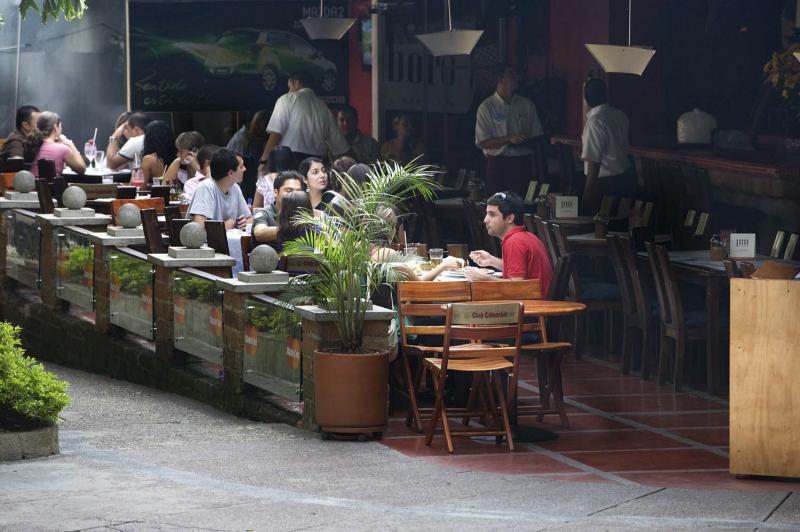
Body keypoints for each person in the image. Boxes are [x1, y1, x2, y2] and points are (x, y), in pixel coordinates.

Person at [475, 63, 544, 197]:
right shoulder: (487, 107)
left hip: (522, 163)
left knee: (523, 205)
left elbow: (537, 134)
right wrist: (508, 139)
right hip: (498, 163)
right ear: (500, 80)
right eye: (511, 75)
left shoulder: (526, 104)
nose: (516, 78)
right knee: (497, 208)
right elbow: (483, 142)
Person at [258, 72, 349, 172]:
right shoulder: (323, 107)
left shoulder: (286, 99)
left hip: (288, 162)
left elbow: (276, 133)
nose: (289, 90)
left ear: (296, 83)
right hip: (315, 165)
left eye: (289, 86)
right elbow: (340, 147)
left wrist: (264, 160)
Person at [465, 191, 552, 294]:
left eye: (492, 215)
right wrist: (491, 260)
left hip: (533, 305)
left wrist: (483, 278)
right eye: (487, 214)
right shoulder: (525, 237)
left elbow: (516, 288)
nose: (485, 220)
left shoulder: (514, 242)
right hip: (536, 301)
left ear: (510, 218)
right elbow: (520, 270)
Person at [581, 78, 632, 211]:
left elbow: (594, 161)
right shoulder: (620, 115)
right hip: (624, 179)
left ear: (586, 99)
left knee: (600, 226)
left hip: (604, 184)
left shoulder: (595, 122)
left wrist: (587, 193)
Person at [187, 148, 253, 230]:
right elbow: (198, 227)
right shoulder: (206, 188)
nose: (245, 169)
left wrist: (243, 223)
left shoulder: (235, 187)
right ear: (231, 173)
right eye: (241, 166)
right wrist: (224, 226)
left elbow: (250, 219)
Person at [24, 111, 86, 177]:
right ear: (56, 127)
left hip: (30, 186)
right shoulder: (62, 148)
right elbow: (82, 169)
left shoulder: (32, 144)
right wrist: (70, 144)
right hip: (49, 187)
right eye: (60, 126)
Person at [252, 170, 304, 245]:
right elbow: (259, 232)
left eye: (298, 191)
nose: (294, 195)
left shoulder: (303, 213)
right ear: (276, 192)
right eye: (289, 191)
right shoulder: (264, 213)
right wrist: (290, 229)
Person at [254, 146, 296, 210]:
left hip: (267, 218)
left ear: (271, 161)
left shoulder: (264, 180)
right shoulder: (298, 180)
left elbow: (256, 207)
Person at [140, 120, 175, 189]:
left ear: (148, 139)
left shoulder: (148, 159)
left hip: (156, 197)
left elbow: (141, 187)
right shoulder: (176, 155)